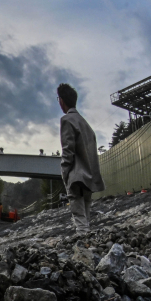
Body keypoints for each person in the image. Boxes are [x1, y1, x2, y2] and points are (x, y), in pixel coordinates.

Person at [58, 83, 104, 227]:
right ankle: (88, 245)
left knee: (79, 217)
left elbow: (68, 151)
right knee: (86, 216)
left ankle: (83, 246)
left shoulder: (66, 120)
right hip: (89, 177)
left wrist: (65, 174)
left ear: (61, 101)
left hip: (76, 177)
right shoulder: (86, 124)